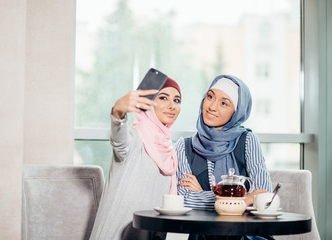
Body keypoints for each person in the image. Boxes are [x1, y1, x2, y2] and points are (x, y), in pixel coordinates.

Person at [175, 75, 273, 240]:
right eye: (210, 96)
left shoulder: (247, 140)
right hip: (202, 236)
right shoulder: (184, 147)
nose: (212, 107)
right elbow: (184, 199)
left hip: (246, 234)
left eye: (224, 103)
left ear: (236, 112)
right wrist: (242, 198)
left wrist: (203, 194)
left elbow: (263, 194)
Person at [90, 77, 182, 240]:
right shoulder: (134, 139)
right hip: (117, 234)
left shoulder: (170, 153)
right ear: (148, 104)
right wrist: (118, 112)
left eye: (177, 100)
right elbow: (119, 139)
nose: (171, 106)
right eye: (163, 98)